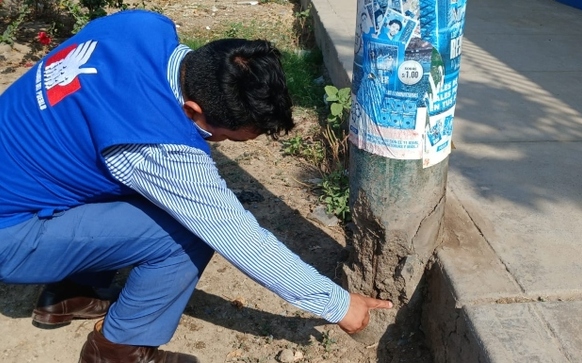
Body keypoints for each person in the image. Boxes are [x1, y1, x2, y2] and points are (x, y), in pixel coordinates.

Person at [0, 9, 392, 363]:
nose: (217, 146)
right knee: (188, 232)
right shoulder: (152, 141)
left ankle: (73, 290)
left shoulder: (142, 26)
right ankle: (117, 350)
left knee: (127, 178)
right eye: (225, 138)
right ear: (193, 112)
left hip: (23, 181)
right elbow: (238, 237)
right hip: (11, 233)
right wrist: (338, 304)